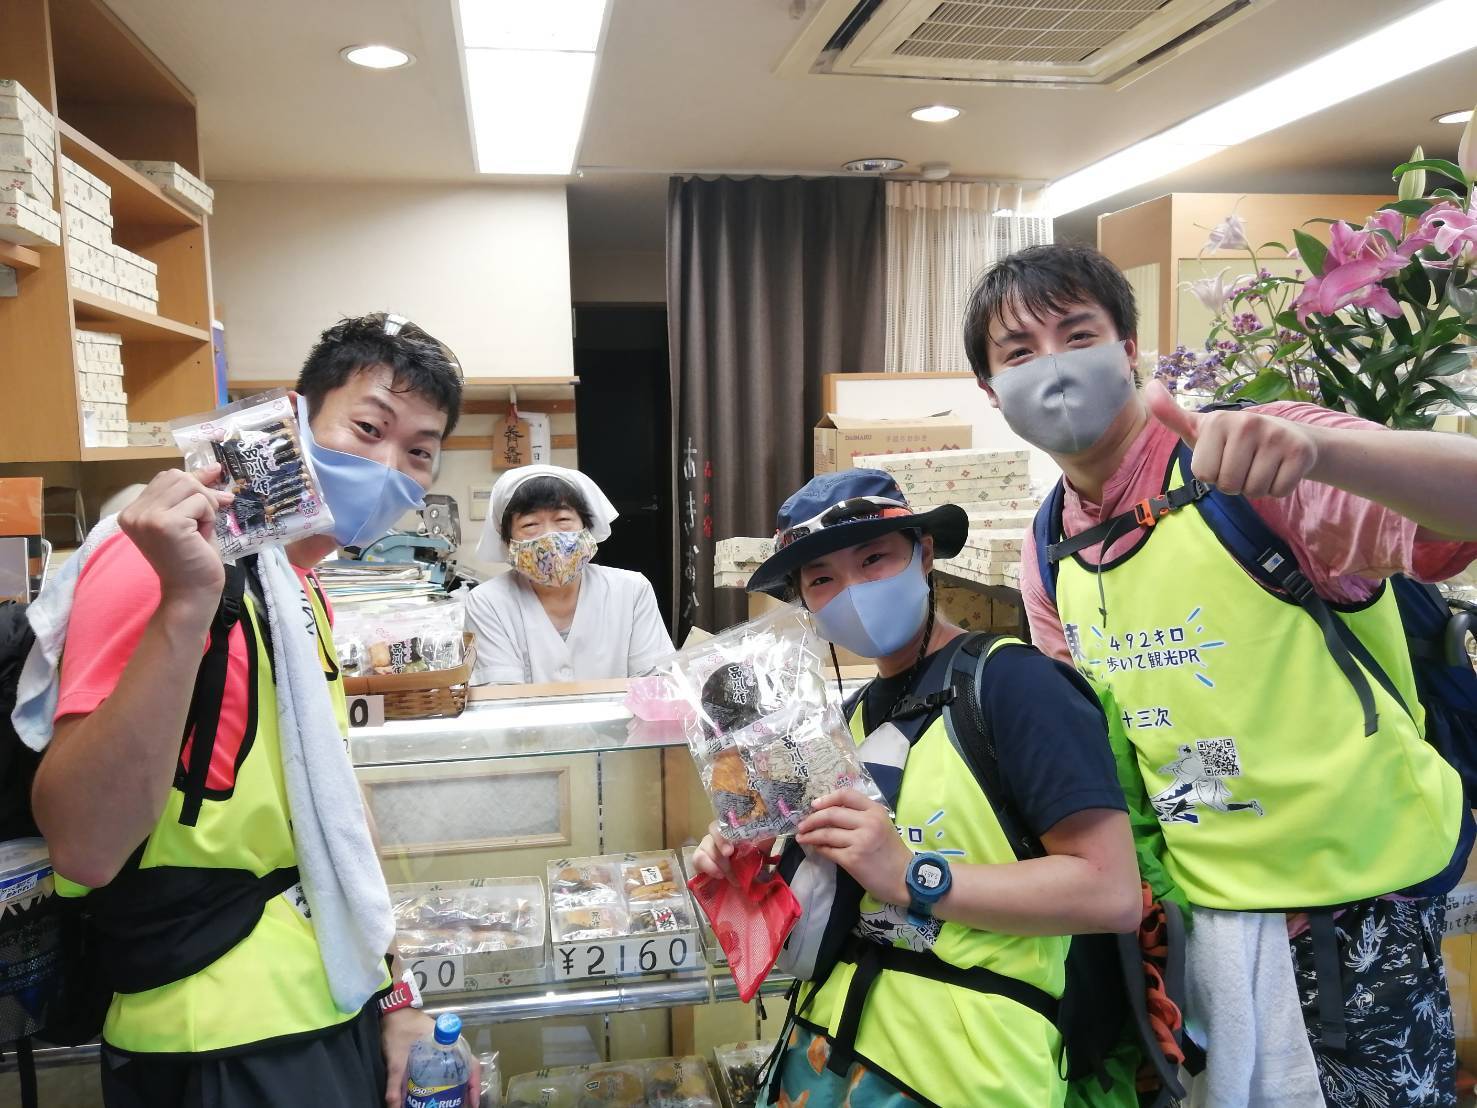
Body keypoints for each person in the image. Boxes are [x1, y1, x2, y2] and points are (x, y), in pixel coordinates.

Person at [963, 242, 1477, 1107]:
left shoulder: (1253, 462)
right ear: (990, 390)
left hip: (1358, 908)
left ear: (1128, 349)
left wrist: (1319, 451)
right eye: (1018, 352)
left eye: (1076, 335)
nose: (1050, 367)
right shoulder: (1048, 547)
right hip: (1203, 925)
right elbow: (1097, 749)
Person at [29, 312, 470, 1107]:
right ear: (292, 423)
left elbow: (330, 810)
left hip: (326, 994)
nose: (386, 466)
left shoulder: (298, 589)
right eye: (367, 428)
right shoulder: (162, 562)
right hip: (211, 1027)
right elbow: (85, 847)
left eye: (418, 451)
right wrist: (185, 601)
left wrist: (395, 995)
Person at [692, 469, 1140, 1107]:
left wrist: (912, 876)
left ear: (924, 554)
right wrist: (747, 867)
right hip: (829, 1059)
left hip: (969, 1075)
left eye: (873, 559)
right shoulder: (844, 724)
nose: (852, 591)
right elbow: (814, 928)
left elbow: (1110, 892)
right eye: (822, 579)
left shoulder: (1016, 685)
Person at [466, 464, 673, 685]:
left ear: (586, 527)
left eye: (563, 520)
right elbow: (500, 694)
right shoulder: (487, 602)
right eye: (530, 524)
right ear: (508, 541)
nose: (550, 537)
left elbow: (656, 682)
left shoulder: (632, 590)